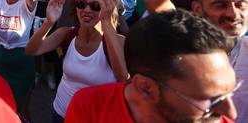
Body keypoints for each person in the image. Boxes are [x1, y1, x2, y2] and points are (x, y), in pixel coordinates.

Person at [65, 9, 238, 123]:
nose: (231, 114)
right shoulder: (90, 106)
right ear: (145, 88)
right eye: (211, 99)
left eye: (231, 91)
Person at [26, 0, 128, 122]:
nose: (87, 9)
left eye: (95, 6)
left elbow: (123, 78)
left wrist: (106, 21)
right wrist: (49, 22)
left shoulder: (119, 42)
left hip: (94, 118)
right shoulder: (66, 33)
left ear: (107, 8)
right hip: (61, 113)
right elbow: (32, 50)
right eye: (81, 4)